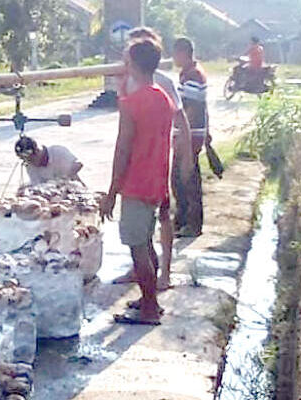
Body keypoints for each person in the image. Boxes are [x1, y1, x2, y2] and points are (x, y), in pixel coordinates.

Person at [100, 38, 175, 325]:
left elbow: (123, 148)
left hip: (136, 182)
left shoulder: (133, 104)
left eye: (125, 61)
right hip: (155, 181)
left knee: (137, 248)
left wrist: (111, 191)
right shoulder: (161, 97)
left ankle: (149, 309)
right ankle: (148, 299)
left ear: (132, 64)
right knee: (145, 241)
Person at [114, 27, 193, 290]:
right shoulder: (131, 85)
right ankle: (142, 277)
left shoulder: (161, 85)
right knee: (142, 236)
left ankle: (160, 280)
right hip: (147, 170)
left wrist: (186, 156)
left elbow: (123, 145)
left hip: (146, 173)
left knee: (152, 226)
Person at [172, 37, 210, 238]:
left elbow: (193, 108)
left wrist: (182, 135)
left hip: (190, 134)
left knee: (185, 179)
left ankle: (191, 223)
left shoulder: (193, 76)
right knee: (181, 179)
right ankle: (182, 220)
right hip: (191, 132)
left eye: (175, 53)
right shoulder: (188, 74)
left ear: (183, 53)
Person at [14, 136, 83, 185]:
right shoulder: (30, 166)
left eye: (30, 159)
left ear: (37, 151)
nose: (29, 163)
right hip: (53, 195)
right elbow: (37, 185)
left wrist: (62, 179)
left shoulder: (57, 151)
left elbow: (78, 164)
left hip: (73, 188)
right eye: (24, 160)